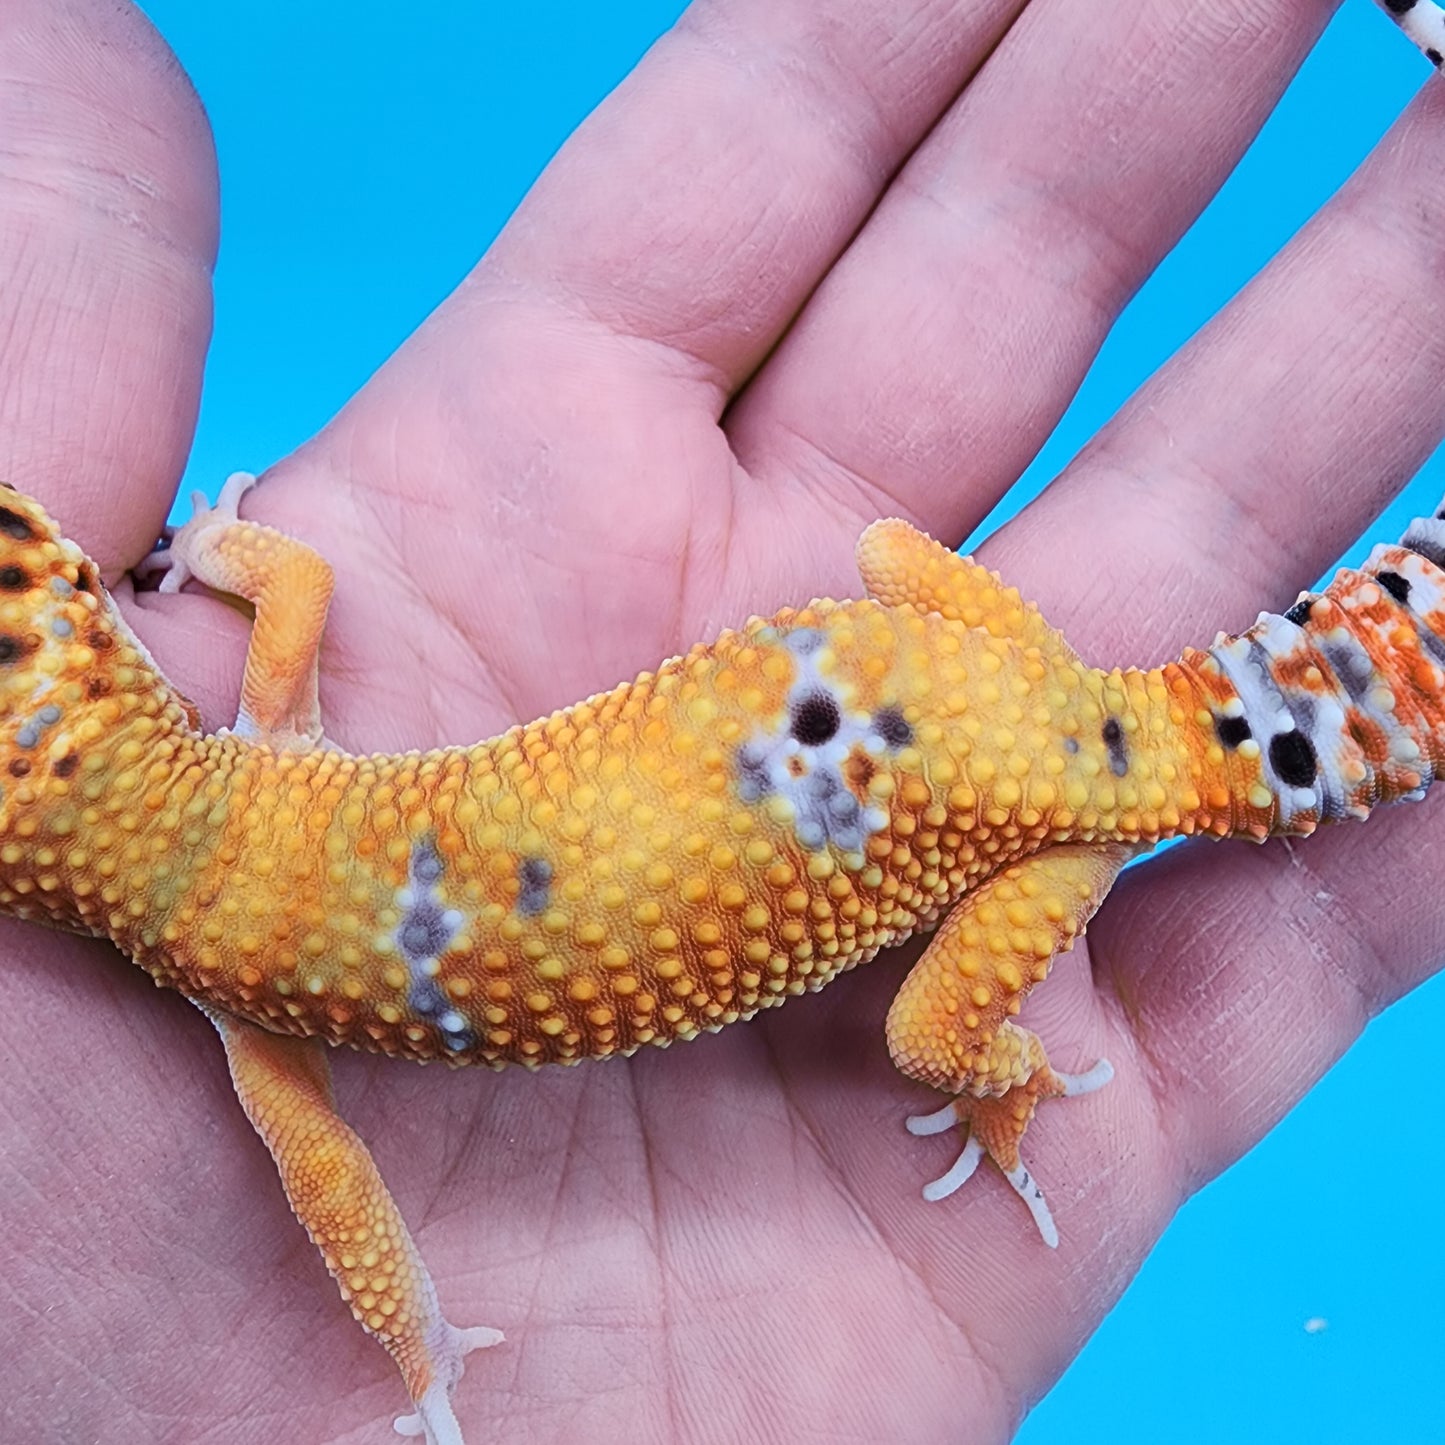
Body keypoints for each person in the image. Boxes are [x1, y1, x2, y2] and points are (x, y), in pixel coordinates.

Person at [2, 1, 1441, 1440]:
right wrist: (208, 553)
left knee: (938, 1043)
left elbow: (348, 1207)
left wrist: (424, 1360)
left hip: (1033, 789)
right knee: (897, 670)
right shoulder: (262, 758)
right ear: (101, 651)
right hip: (980, 686)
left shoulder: (256, 1028)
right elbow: (288, 575)